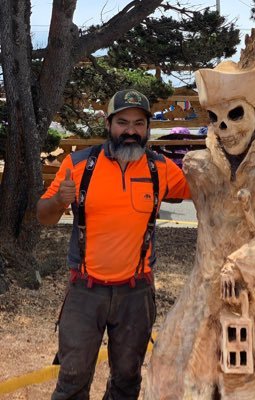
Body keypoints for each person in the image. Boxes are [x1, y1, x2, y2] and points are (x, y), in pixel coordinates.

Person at [37, 88, 191, 400]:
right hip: (84, 291)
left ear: (148, 128)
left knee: (126, 379)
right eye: (123, 122)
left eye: (139, 123)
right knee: (73, 378)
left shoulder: (159, 168)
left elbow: (206, 189)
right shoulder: (79, 165)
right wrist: (58, 201)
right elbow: (44, 216)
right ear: (109, 125)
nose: (131, 131)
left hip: (136, 293)